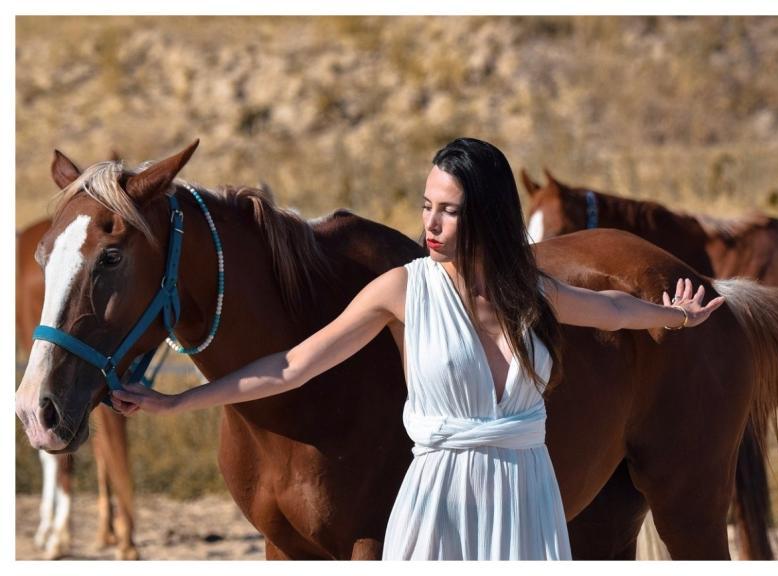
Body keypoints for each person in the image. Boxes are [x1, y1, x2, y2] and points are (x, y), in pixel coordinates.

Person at [111, 138, 725, 560]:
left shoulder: (528, 293)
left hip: (529, 497)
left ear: (484, 215)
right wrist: (177, 402)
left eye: (449, 211)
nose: (430, 225)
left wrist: (672, 317)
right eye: (426, 207)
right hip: (438, 504)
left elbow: (613, 309)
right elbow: (290, 366)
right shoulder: (402, 289)